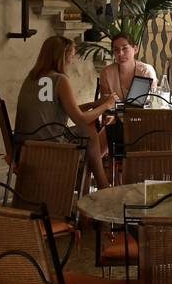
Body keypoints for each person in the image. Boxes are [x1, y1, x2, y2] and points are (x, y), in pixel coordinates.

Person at [15, 34, 117, 188]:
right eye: (71, 55)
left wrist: (94, 103)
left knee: (88, 135)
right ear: (62, 56)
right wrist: (107, 105)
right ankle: (101, 186)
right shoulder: (59, 80)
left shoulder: (34, 78)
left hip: (25, 145)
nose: (72, 60)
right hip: (49, 147)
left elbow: (58, 108)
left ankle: (93, 189)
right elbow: (80, 119)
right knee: (89, 132)